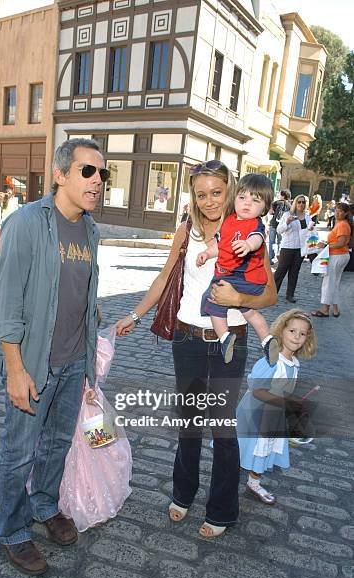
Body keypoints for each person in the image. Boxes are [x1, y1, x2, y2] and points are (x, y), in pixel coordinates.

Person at [115, 159, 277, 538]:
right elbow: (165, 277)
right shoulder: (186, 229)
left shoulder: (248, 230)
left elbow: (268, 292)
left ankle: (222, 508)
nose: (209, 201)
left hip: (230, 337)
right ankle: (183, 493)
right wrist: (136, 315)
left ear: (231, 190)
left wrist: (237, 294)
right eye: (201, 194)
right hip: (188, 337)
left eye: (217, 193)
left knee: (222, 427)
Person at [0, 138, 107, 575]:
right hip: (34, 365)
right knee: (18, 451)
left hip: (75, 360)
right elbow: (5, 305)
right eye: (87, 171)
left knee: (57, 443)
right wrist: (15, 370)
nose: (97, 181)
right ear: (60, 175)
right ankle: (12, 529)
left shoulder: (91, 228)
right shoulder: (26, 223)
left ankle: (43, 505)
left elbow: (80, 292)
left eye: (102, 173)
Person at [237, 310, 317, 504]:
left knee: (264, 450)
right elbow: (257, 390)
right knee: (247, 448)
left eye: (302, 333)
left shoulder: (294, 364)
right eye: (292, 331)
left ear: (307, 339)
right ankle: (227, 479)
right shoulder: (272, 361)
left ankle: (253, 484)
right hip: (255, 414)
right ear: (281, 332)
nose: (297, 336)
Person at [198, 173, 279, 365]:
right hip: (246, 282)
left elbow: (257, 238)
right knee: (249, 312)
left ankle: (225, 338)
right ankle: (267, 340)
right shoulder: (229, 221)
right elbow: (222, 245)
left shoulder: (255, 224)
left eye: (255, 200)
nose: (247, 203)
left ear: (265, 208)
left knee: (212, 301)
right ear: (234, 198)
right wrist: (207, 254)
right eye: (242, 197)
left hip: (239, 277)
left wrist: (248, 245)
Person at [59, 328, 132, 532]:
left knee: (100, 449)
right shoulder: (100, 345)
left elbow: (97, 374)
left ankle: (93, 497)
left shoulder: (98, 346)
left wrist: (91, 384)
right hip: (89, 404)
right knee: (93, 449)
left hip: (89, 403)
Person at [311, 202, 352, 318]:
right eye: (336, 210)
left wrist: (325, 246)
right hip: (339, 255)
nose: (337, 213)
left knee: (328, 282)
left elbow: (341, 243)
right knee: (333, 282)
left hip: (338, 255)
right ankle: (334, 308)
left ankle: (325, 309)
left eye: (340, 211)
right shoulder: (341, 223)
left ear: (345, 213)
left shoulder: (343, 225)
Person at [274, 195, 313, 303]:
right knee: (281, 271)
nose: (301, 204)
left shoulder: (307, 217)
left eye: (303, 202)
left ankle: (290, 295)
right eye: (299, 202)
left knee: (294, 272)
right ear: (295, 203)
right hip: (288, 247)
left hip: (300, 248)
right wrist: (287, 223)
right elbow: (279, 230)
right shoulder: (288, 215)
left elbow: (308, 233)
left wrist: (311, 230)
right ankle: (272, 293)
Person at [268, 189, 291, 264]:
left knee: (272, 242)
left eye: (279, 194)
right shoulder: (290, 205)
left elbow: (271, 212)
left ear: (283, 195)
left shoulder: (276, 203)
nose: (278, 195)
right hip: (283, 226)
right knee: (280, 242)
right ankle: (280, 258)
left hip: (274, 224)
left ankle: (271, 259)